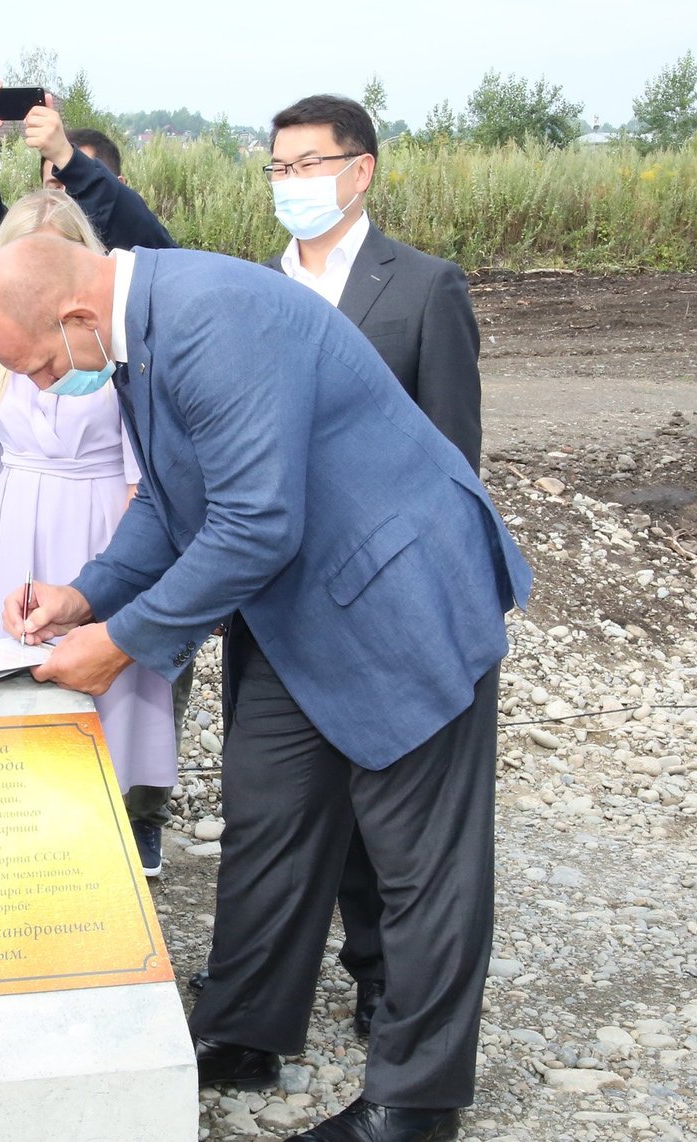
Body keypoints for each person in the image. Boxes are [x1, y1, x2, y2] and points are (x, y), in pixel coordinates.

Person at [0, 234, 530, 1142]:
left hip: (397, 596)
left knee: (421, 861)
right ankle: (243, 1033)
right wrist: (87, 594)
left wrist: (120, 645)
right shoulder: (135, 326)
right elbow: (169, 496)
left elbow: (256, 522)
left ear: (72, 317)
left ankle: (417, 1104)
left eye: (37, 367)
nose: (39, 388)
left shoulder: (206, 318)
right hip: (299, 609)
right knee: (269, 816)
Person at [261, 93, 486, 1042]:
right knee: (293, 812)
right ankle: (272, 1004)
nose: (291, 185)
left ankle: (386, 981)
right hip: (277, 593)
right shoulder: (259, 290)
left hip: (387, 597)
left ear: (361, 171)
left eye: (308, 165)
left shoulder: (425, 286)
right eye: (277, 169)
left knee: (391, 805)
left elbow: (450, 455)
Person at [0, 189, 176, 876]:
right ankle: (21, 828)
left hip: (104, 523)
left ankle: (116, 828)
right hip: (16, 525)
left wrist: (135, 574)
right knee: (17, 670)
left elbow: (145, 477)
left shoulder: (111, 348)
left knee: (106, 679)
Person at [0, 76, 175, 264]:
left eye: (78, 188)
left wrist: (67, 157)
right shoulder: (22, 257)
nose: (63, 201)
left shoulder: (135, 268)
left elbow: (157, 247)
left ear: (118, 185)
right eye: (54, 188)